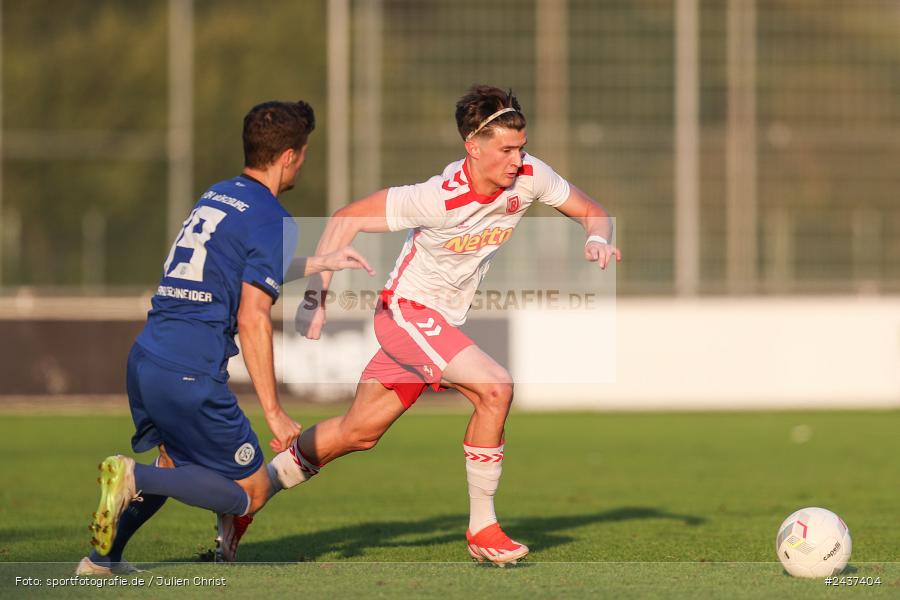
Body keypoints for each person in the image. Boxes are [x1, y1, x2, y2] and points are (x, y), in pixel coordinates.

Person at [258, 85, 621, 566]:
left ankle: (247, 496)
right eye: (506, 150)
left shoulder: (531, 176)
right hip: (405, 314)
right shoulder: (436, 197)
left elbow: (594, 213)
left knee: (357, 433)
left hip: (435, 323)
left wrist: (597, 238)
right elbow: (346, 218)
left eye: (521, 147)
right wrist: (314, 297)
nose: (518, 160)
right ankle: (482, 528)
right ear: (473, 147)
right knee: (495, 388)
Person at [76, 100, 373, 575]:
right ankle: (132, 476)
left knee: (174, 465)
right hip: (191, 369)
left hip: (148, 357)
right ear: (290, 156)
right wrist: (274, 413)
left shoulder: (217, 195)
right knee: (250, 491)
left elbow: (233, 269)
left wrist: (317, 264)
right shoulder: (274, 218)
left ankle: (102, 559)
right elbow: (253, 314)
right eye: (305, 152)